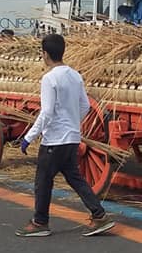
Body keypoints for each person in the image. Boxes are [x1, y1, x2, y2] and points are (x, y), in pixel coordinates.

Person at [16, 33, 116, 237]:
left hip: (54, 139)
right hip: (72, 138)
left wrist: (29, 136)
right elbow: (85, 106)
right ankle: (99, 215)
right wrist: (72, 121)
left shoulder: (49, 78)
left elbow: (47, 112)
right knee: (75, 178)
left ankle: (40, 222)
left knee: (43, 181)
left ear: (45, 54)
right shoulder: (75, 75)